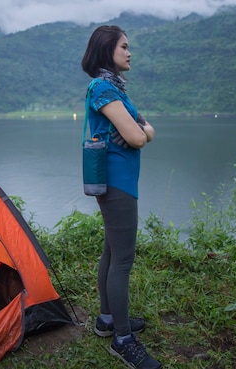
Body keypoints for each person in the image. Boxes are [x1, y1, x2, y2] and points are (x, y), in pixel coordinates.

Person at [81, 25, 162, 369]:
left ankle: (108, 320)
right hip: (117, 184)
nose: (130, 53)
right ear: (107, 50)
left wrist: (138, 130)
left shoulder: (116, 89)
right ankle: (123, 339)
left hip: (118, 181)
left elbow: (146, 131)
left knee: (112, 252)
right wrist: (138, 131)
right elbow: (141, 136)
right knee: (123, 261)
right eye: (124, 47)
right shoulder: (102, 88)